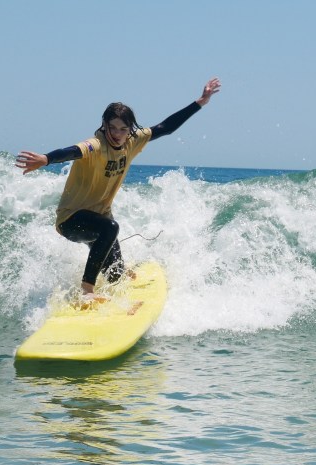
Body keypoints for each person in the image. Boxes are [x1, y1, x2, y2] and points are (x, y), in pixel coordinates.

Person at [16, 77, 221, 300]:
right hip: (71, 220)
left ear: (130, 130)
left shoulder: (132, 141)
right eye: (112, 128)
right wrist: (46, 159)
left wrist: (200, 101)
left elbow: (165, 128)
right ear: (104, 125)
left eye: (123, 129)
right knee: (110, 228)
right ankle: (87, 290)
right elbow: (72, 151)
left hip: (98, 221)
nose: (117, 133)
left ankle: (110, 287)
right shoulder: (95, 145)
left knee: (116, 276)